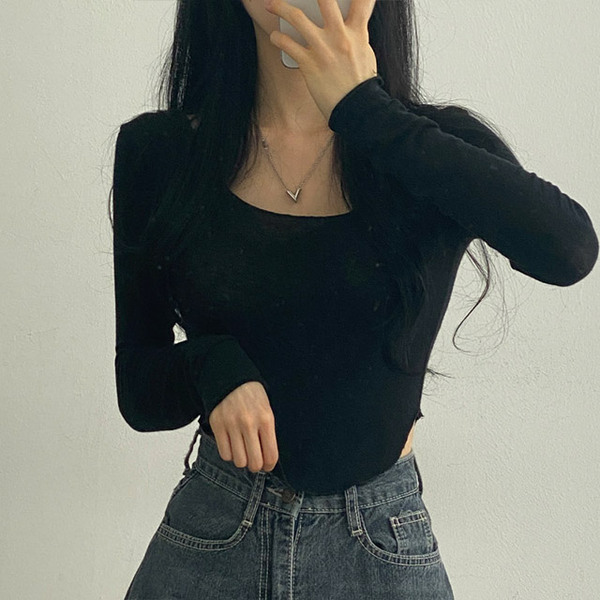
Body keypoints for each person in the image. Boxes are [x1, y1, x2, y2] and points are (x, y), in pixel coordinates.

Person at [111, 1, 598, 598]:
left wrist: (362, 108)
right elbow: (139, 391)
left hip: (379, 544)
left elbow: (569, 252)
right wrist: (209, 365)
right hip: (214, 532)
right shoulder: (159, 152)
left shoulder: (426, 146)